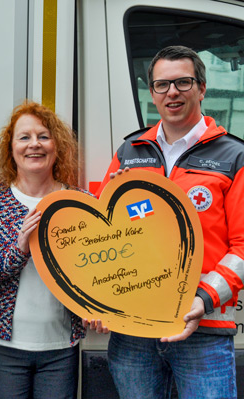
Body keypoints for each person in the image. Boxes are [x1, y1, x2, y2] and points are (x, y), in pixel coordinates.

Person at [97, 45, 244, 398]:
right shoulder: (129, 153)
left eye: (183, 82)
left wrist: (204, 298)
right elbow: (104, 233)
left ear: (202, 88)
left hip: (203, 330)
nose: (172, 92)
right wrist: (99, 297)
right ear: (152, 93)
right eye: (162, 85)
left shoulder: (234, 156)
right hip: (134, 331)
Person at [0, 101, 87, 399]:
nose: (34, 145)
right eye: (24, 137)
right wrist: (19, 250)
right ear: (10, 148)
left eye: (43, 136)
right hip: (4, 347)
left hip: (62, 347)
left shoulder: (80, 202)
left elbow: (96, 271)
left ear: (57, 146)